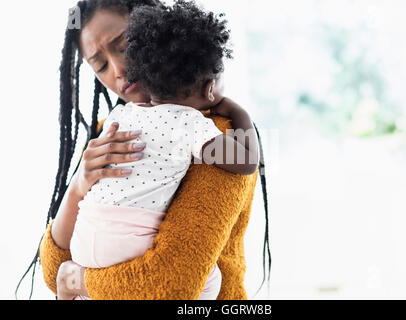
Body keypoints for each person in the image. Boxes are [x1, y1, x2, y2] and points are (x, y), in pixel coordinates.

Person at [16, 0, 271, 300]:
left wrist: (78, 282)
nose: (119, 69)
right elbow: (54, 270)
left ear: (156, 34)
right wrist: (77, 188)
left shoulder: (218, 132)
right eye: (99, 65)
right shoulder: (115, 127)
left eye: (124, 45)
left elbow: (169, 286)